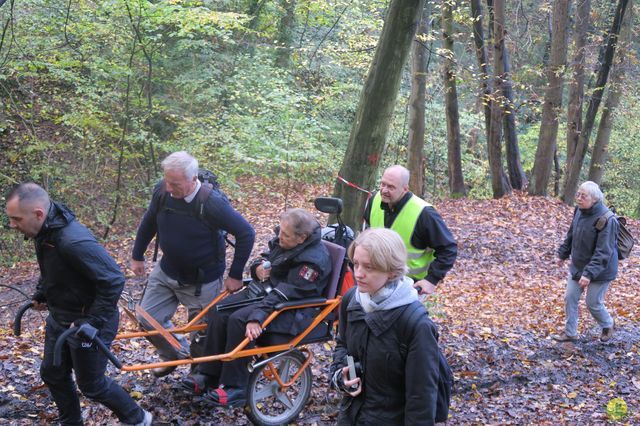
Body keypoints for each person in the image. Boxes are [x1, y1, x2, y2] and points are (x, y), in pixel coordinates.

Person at [5, 183, 152, 426]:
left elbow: (114, 279)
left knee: (92, 385)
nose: (12, 225)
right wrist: (42, 293)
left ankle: (139, 419)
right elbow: (53, 269)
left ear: (38, 213)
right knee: (52, 373)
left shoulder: (72, 240)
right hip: (61, 317)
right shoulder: (44, 232)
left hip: (90, 321)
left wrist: (92, 321)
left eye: (16, 218)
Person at [181, 208, 332, 407]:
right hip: (267, 294)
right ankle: (208, 374)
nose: (279, 237)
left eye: (285, 234)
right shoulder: (288, 241)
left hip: (293, 309)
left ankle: (236, 387)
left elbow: (289, 292)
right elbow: (266, 257)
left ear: (302, 237)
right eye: (280, 231)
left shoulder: (313, 261)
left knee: (239, 320)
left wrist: (257, 316)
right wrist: (258, 268)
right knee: (218, 310)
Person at [131, 151, 255, 376]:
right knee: (147, 319)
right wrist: (137, 254)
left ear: (193, 178)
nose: (169, 188)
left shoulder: (211, 203)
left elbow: (246, 233)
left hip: (202, 280)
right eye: (167, 181)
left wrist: (235, 274)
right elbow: (150, 220)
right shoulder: (162, 191)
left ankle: (199, 377)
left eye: (175, 184)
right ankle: (173, 356)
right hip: (166, 271)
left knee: (202, 335)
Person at [330, 228, 442, 425]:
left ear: (392, 270)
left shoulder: (416, 324)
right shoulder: (351, 301)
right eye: (355, 264)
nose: (358, 274)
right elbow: (343, 346)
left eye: (369, 267)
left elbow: (421, 397)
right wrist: (341, 375)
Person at [363, 165, 457, 297]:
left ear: (405, 189)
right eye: (382, 184)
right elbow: (366, 234)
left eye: (391, 187)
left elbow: (448, 249)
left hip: (410, 286)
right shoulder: (374, 199)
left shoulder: (424, 213)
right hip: (376, 279)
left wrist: (431, 280)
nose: (384, 190)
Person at [554, 181, 618, 343]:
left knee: (593, 303)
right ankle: (570, 333)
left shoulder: (606, 219)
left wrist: (589, 274)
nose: (579, 198)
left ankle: (608, 324)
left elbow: (604, 251)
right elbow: (571, 235)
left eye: (584, 196)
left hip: (602, 270)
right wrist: (562, 254)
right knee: (570, 297)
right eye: (578, 194)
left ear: (595, 199)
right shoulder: (579, 210)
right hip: (579, 266)